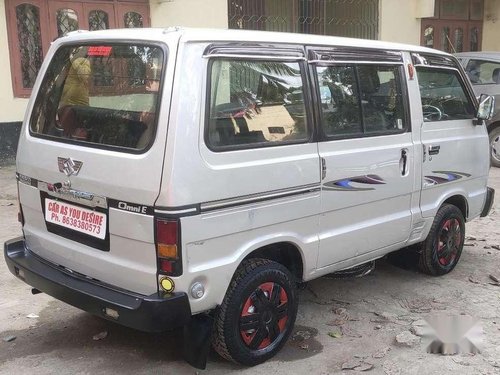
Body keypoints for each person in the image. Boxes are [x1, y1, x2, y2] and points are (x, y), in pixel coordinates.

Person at [58, 48, 91, 137]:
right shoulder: (65, 64)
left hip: (78, 105)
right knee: (67, 131)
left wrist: (74, 60)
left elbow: (84, 75)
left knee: (78, 131)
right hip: (66, 103)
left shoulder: (82, 61)